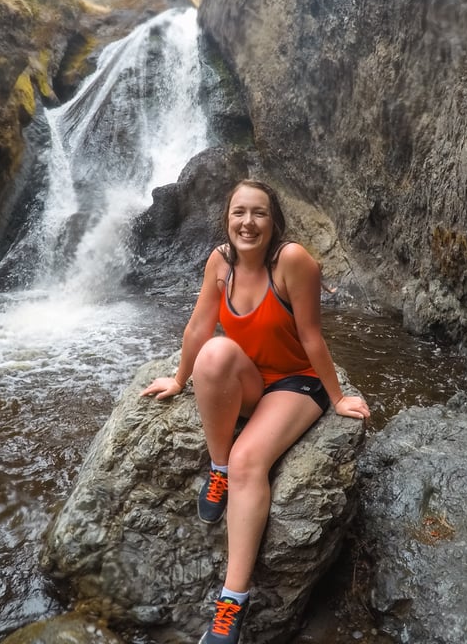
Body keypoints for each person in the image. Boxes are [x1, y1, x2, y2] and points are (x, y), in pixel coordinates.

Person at [141, 179, 370, 644]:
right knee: (213, 355)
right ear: (227, 219)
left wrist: (339, 395)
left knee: (252, 462)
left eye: (259, 213)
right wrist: (179, 378)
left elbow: (311, 337)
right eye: (239, 213)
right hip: (249, 379)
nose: (248, 223)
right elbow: (199, 327)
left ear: (274, 220)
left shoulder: (292, 261)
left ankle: (232, 601)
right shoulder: (219, 263)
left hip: (295, 382)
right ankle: (217, 465)